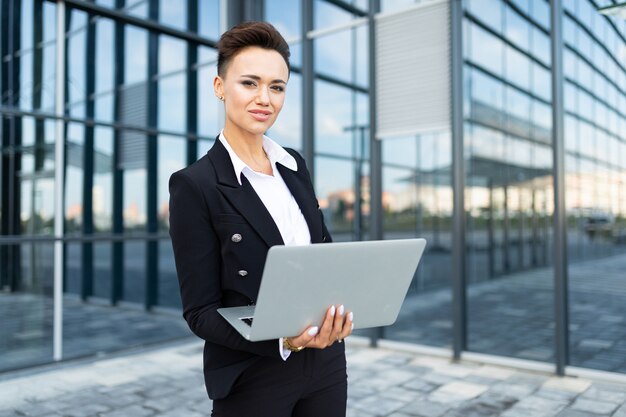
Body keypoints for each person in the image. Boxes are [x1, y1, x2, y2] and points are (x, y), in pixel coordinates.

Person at [168, 21, 354, 417]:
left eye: (277, 86)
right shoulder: (195, 185)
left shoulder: (293, 166)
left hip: (325, 364)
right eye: (249, 83)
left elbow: (323, 256)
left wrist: (342, 307)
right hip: (253, 373)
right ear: (220, 87)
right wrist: (285, 340)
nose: (264, 99)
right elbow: (200, 313)